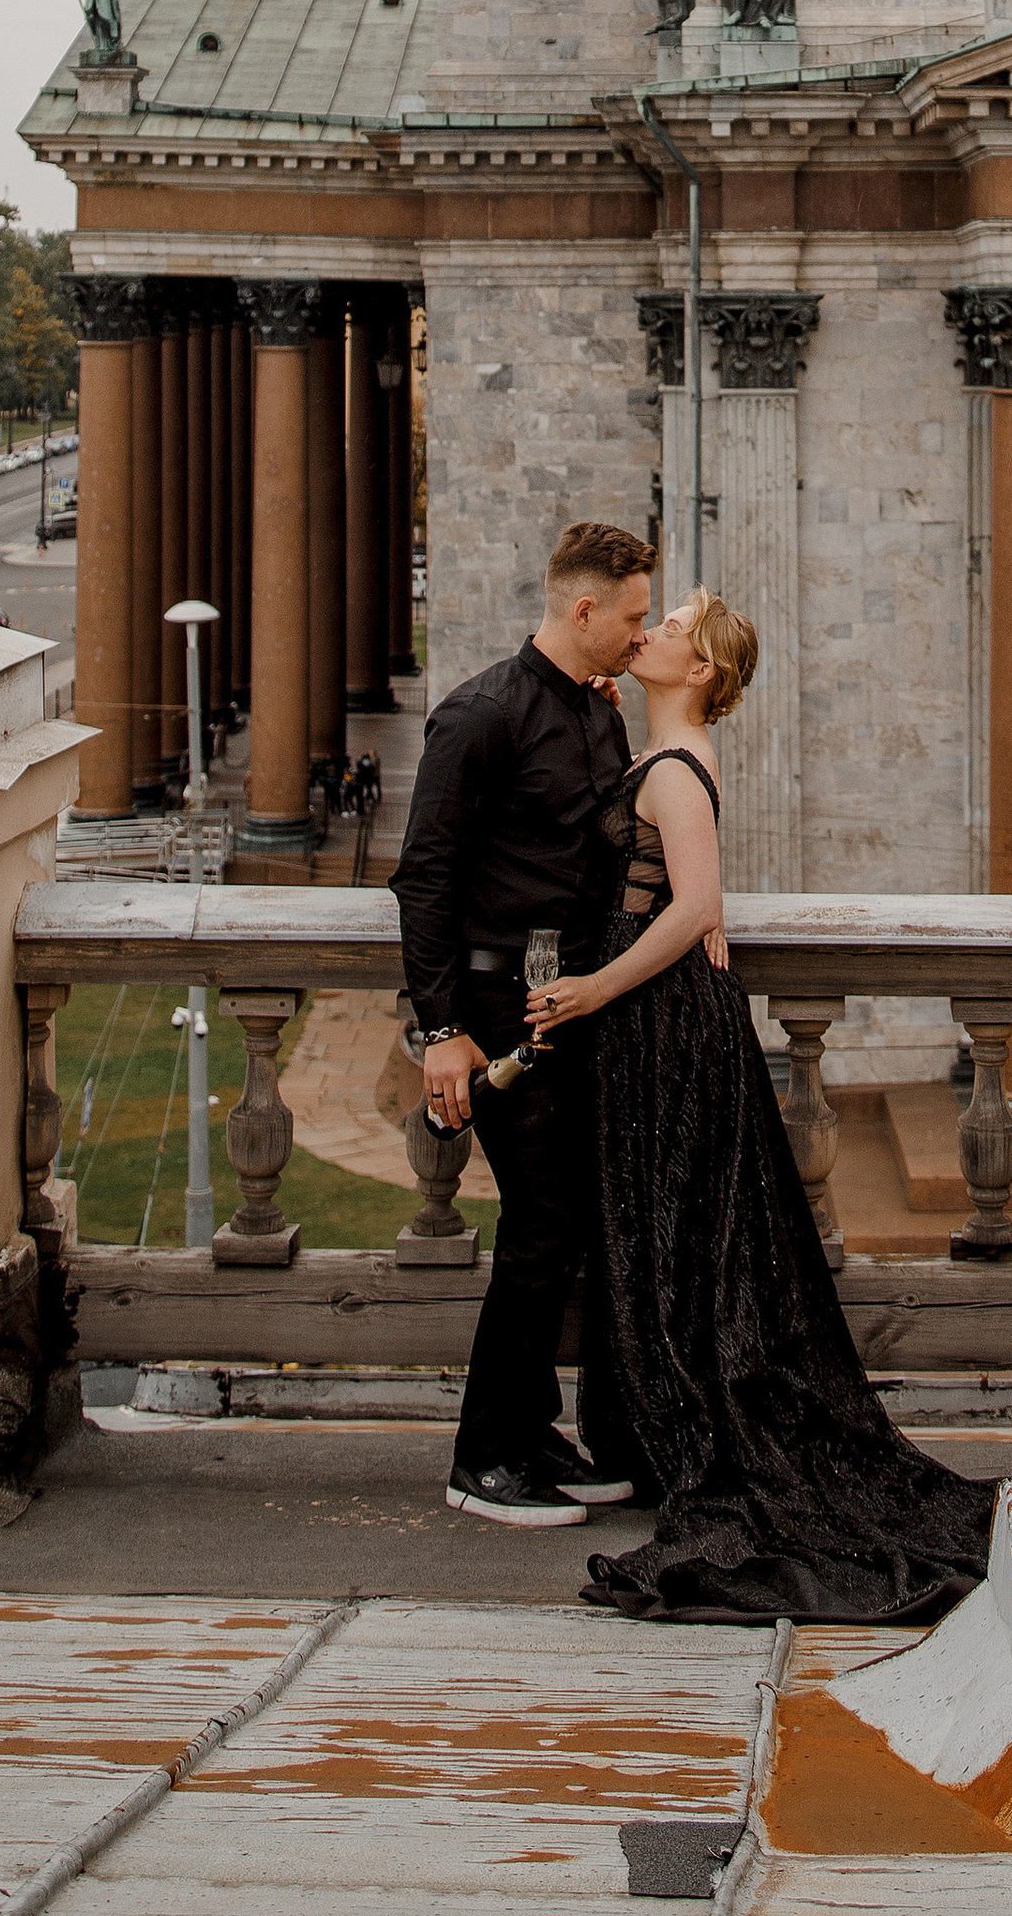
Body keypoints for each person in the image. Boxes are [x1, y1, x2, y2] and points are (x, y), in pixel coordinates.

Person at [531, 587, 1012, 1626]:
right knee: (668, 1228)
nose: (647, 633)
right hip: (653, 1022)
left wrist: (591, 989)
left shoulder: (677, 771)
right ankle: (651, 1428)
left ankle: (683, 1433)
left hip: (658, 1020)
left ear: (697, 671)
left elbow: (698, 906)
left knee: (676, 1227)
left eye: (668, 629)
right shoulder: (666, 756)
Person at [392, 517, 660, 1528]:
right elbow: (424, 878)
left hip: (575, 1001)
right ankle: (483, 1457)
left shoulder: (601, 710)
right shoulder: (478, 715)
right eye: (631, 617)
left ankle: (534, 1432)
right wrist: (441, 1031)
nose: (641, 635)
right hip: (500, 1009)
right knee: (540, 1225)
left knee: (569, 1226)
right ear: (582, 608)